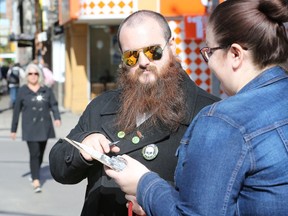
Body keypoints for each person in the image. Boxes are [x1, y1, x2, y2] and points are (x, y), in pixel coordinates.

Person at [105, 0, 288, 215]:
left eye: (209, 52)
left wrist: (144, 184)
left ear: (236, 54)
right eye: (132, 56)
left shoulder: (222, 121)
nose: (208, 63)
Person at [49, 10, 219, 216]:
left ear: (171, 46)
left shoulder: (209, 113)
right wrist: (82, 148)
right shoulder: (102, 105)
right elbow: (60, 170)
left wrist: (156, 199)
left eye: (153, 51)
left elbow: (215, 204)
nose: (143, 62)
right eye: (131, 56)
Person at [11, 63, 61, 193]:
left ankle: (35, 172)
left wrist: (57, 117)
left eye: (36, 73)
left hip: (44, 126)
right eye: (30, 73)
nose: (33, 76)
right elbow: (16, 111)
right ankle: (36, 180)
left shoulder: (46, 89)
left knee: (40, 153)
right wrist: (13, 129)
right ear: (26, 76)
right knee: (34, 153)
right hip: (30, 127)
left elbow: (53, 105)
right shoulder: (22, 90)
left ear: (39, 75)